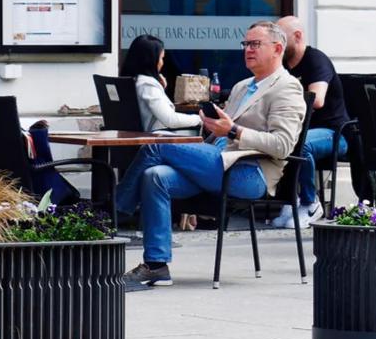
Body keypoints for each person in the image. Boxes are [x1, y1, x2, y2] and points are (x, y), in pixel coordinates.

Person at [115, 21, 306, 288]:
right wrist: (214, 128)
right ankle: (156, 266)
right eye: (245, 44)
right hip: (216, 163)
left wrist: (234, 131)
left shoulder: (287, 88)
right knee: (154, 175)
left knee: (157, 145)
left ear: (277, 48)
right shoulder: (242, 86)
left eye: (255, 44)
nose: (247, 50)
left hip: (249, 172)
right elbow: (223, 131)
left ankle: (113, 214)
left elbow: (283, 145)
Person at [270, 16, 352, 229]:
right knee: (282, 139)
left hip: (334, 133)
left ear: (297, 37)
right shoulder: (284, 65)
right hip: (301, 130)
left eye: (281, 38)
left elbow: (316, 99)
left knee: (300, 144)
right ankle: (290, 200)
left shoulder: (316, 60)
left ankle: (310, 202)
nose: (276, 43)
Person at [120, 34, 202, 135]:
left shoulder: (134, 81)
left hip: (147, 139)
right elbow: (170, 119)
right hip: (158, 142)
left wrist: (160, 89)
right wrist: (200, 119)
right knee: (219, 141)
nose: (162, 63)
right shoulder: (148, 85)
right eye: (161, 58)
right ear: (151, 60)